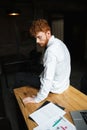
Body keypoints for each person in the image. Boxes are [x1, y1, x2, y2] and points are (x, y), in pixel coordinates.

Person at [15, 19, 71, 103]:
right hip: (63, 84)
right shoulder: (59, 42)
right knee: (35, 68)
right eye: (36, 38)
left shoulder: (51, 52)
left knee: (19, 76)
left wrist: (37, 99)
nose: (37, 41)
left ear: (48, 33)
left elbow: (48, 79)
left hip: (55, 87)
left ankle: (18, 102)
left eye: (39, 37)